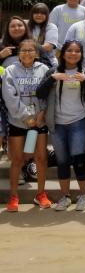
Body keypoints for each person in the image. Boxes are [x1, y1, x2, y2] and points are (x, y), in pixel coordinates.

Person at [37, 40, 85, 211]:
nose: (73, 54)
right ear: (63, 53)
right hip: (57, 123)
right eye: (69, 50)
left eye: (77, 51)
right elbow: (40, 93)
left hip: (79, 121)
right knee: (62, 161)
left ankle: (84, 195)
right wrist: (52, 80)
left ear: (81, 54)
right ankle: (65, 196)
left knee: (79, 159)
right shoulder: (52, 71)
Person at [2, 39, 51, 212]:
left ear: (37, 53)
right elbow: (9, 96)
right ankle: (13, 196)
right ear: (18, 53)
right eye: (23, 50)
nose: (27, 53)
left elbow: (48, 93)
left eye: (31, 50)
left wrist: (42, 112)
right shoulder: (10, 70)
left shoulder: (44, 69)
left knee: (41, 158)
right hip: (18, 122)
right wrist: (25, 116)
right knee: (17, 159)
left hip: (39, 121)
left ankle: (41, 194)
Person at [28, 3, 59, 68]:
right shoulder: (26, 24)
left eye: (42, 13)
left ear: (47, 15)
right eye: (36, 13)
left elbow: (48, 47)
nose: (39, 15)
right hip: (27, 60)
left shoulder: (51, 27)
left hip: (47, 62)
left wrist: (25, 49)